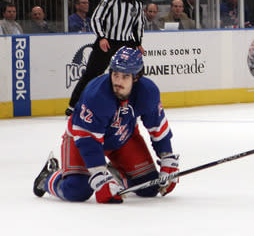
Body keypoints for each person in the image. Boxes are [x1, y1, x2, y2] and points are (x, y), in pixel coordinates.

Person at [33, 47, 180, 204]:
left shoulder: (148, 92)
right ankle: (49, 177)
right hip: (81, 139)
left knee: (148, 188)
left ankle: (115, 174)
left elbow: (158, 127)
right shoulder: (96, 95)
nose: (118, 81)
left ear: (136, 77)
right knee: (77, 190)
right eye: (115, 74)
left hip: (122, 138)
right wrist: (98, 173)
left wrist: (167, 158)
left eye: (125, 76)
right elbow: (87, 139)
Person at [66, 0, 144, 116]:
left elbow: (138, 24)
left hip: (126, 43)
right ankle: (73, 105)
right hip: (107, 41)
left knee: (133, 74)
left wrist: (138, 42)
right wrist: (102, 37)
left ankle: (129, 104)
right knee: (91, 74)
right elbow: (96, 18)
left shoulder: (137, 3)